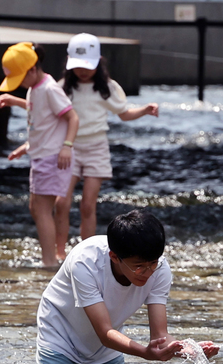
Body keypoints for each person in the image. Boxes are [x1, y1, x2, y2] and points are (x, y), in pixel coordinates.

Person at [32, 209, 216, 364]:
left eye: (152, 264)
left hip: (105, 345)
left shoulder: (159, 269)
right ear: (114, 257)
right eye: (139, 266)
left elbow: (160, 336)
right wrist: (144, 353)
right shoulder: (85, 261)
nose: (148, 273)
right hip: (60, 334)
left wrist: (185, 349)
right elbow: (104, 331)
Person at [55, 33, 159, 249]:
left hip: (96, 148)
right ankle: (59, 251)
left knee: (87, 205)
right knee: (61, 202)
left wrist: (145, 110)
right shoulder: (63, 87)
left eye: (88, 66)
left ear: (99, 62)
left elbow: (124, 113)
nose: (83, 71)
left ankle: (85, 252)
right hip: (69, 147)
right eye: (78, 66)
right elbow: (50, 114)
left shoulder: (107, 88)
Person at [0, 42, 80, 268]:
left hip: (52, 157)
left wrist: (67, 145)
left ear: (33, 69)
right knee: (37, 207)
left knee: (41, 208)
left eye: (20, 78)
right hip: (42, 155)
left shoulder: (49, 88)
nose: (20, 84)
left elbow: (72, 117)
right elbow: (41, 114)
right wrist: (16, 103)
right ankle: (50, 258)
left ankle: (49, 261)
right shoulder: (36, 88)